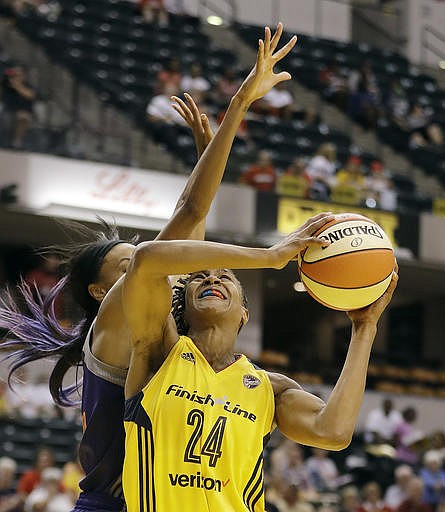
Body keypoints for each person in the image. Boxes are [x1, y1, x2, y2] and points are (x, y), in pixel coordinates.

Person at [0, 22, 298, 512]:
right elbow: (185, 222)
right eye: (125, 266)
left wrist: (209, 154)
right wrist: (239, 105)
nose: (143, 268)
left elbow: (192, 224)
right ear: (100, 292)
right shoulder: (115, 325)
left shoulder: (162, 316)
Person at [120, 199, 397, 511]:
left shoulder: (270, 389)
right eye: (199, 277)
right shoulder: (159, 350)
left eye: (225, 276)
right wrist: (270, 256)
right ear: (182, 305)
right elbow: (144, 260)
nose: (212, 278)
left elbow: (332, 431)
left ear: (244, 313)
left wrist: (364, 329)